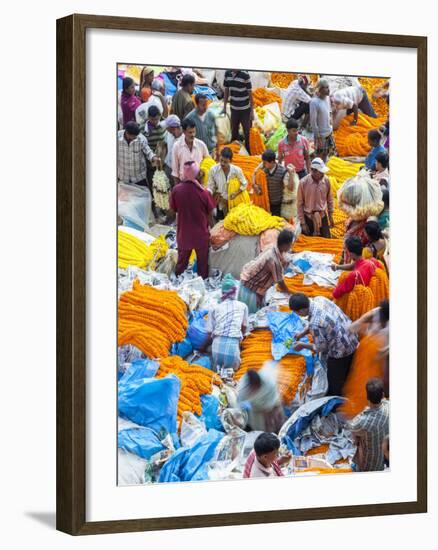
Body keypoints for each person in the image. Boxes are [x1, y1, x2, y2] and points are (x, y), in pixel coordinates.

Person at [289, 293, 359, 396]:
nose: (298, 315)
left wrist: (302, 345)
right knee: (348, 370)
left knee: (335, 379)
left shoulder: (315, 323)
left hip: (341, 350)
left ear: (302, 310)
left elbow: (321, 347)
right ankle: (347, 382)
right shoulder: (319, 299)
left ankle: (338, 398)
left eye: (298, 313)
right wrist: (302, 333)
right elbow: (319, 323)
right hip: (351, 336)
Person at [169, 161, 215, 279]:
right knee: (202, 267)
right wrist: (214, 231)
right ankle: (202, 286)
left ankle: (178, 283)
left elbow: (172, 211)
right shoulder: (204, 193)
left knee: (181, 264)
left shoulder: (176, 190)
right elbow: (210, 216)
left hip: (184, 235)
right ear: (197, 174)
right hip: (201, 236)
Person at [238, 230, 294, 314]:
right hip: (251, 286)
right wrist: (290, 293)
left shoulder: (273, 247)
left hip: (249, 279)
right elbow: (280, 282)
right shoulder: (273, 260)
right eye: (290, 245)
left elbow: (283, 258)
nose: (291, 247)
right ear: (285, 245)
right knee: (252, 314)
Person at [203, 274, 249, 372]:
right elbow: (244, 327)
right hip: (233, 350)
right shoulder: (243, 306)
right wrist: (241, 340)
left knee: (216, 370)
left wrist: (202, 348)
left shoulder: (214, 308)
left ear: (222, 292)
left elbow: (209, 332)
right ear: (235, 292)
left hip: (217, 349)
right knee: (232, 372)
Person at [347, 378, 389, 472]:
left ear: (367, 397)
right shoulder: (389, 407)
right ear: (382, 395)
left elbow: (350, 426)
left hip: (370, 466)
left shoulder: (362, 421)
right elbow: (385, 401)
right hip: (383, 456)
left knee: (357, 437)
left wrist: (363, 412)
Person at [350, 300, 390, 396]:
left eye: (383, 320)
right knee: (361, 376)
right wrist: (357, 329)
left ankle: (381, 394)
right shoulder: (376, 312)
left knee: (384, 377)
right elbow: (357, 323)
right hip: (368, 350)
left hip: (384, 353)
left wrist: (381, 354)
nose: (381, 321)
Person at [297, 157, 334, 238]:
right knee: (309, 245)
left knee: (326, 242)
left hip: (323, 217)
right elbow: (300, 204)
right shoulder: (303, 183)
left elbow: (330, 199)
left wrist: (331, 215)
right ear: (313, 170)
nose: (323, 174)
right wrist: (303, 223)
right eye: (321, 172)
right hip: (309, 218)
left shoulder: (326, 180)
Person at [207, 146, 247, 219]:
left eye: (225, 162)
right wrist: (210, 193)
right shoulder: (213, 170)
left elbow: (244, 183)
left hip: (234, 202)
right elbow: (210, 186)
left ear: (231, 161)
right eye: (221, 160)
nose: (222, 163)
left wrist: (236, 193)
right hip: (220, 202)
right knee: (221, 221)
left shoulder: (237, 170)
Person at [117, 121, 160, 185]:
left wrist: (153, 157)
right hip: (123, 176)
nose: (136, 138)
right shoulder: (117, 137)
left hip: (139, 178)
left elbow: (148, 151)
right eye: (134, 136)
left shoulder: (141, 139)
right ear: (127, 133)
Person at [223, 69, 253, 153]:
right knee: (234, 130)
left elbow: (250, 94)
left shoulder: (245, 75)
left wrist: (252, 111)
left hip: (245, 109)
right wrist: (224, 107)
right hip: (234, 108)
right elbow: (226, 90)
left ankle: (249, 150)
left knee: (247, 132)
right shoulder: (227, 73)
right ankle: (234, 151)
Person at [171, 119, 210, 185]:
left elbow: (208, 163)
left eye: (194, 132)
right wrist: (177, 188)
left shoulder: (201, 145)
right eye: (190, 132)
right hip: (184, 183)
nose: (193, 135)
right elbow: (175, 172)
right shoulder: (176, 146)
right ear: (183, 131)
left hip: (200, 183)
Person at [252, 149, 288, 217]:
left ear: (272, 162)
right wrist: (254, 185)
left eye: (265, 163)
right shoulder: (263, 171)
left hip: (278, 203)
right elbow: (255, 177)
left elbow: (287, 188)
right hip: (267, 202)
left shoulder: (282, 171)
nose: (263, 164)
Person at [309, 79, 335, 162]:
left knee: (326, 153)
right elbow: (313, 122)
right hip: (321, 135)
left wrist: (331, 124)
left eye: (328, 87)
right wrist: (318, 136)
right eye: (326, 88)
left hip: (329, 132)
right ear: (320, 89)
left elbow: (329, 111)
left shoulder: (327, 98)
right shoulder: (314, 102)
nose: (328, 90)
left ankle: (323, 168)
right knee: (319, 156)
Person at [160, 115, 183, 179]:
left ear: (173, 128)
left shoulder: (184, 139)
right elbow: (164, 145)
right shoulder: (168, 134)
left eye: (167, 128)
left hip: (178, 171)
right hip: (168, 167)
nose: (166, 129)